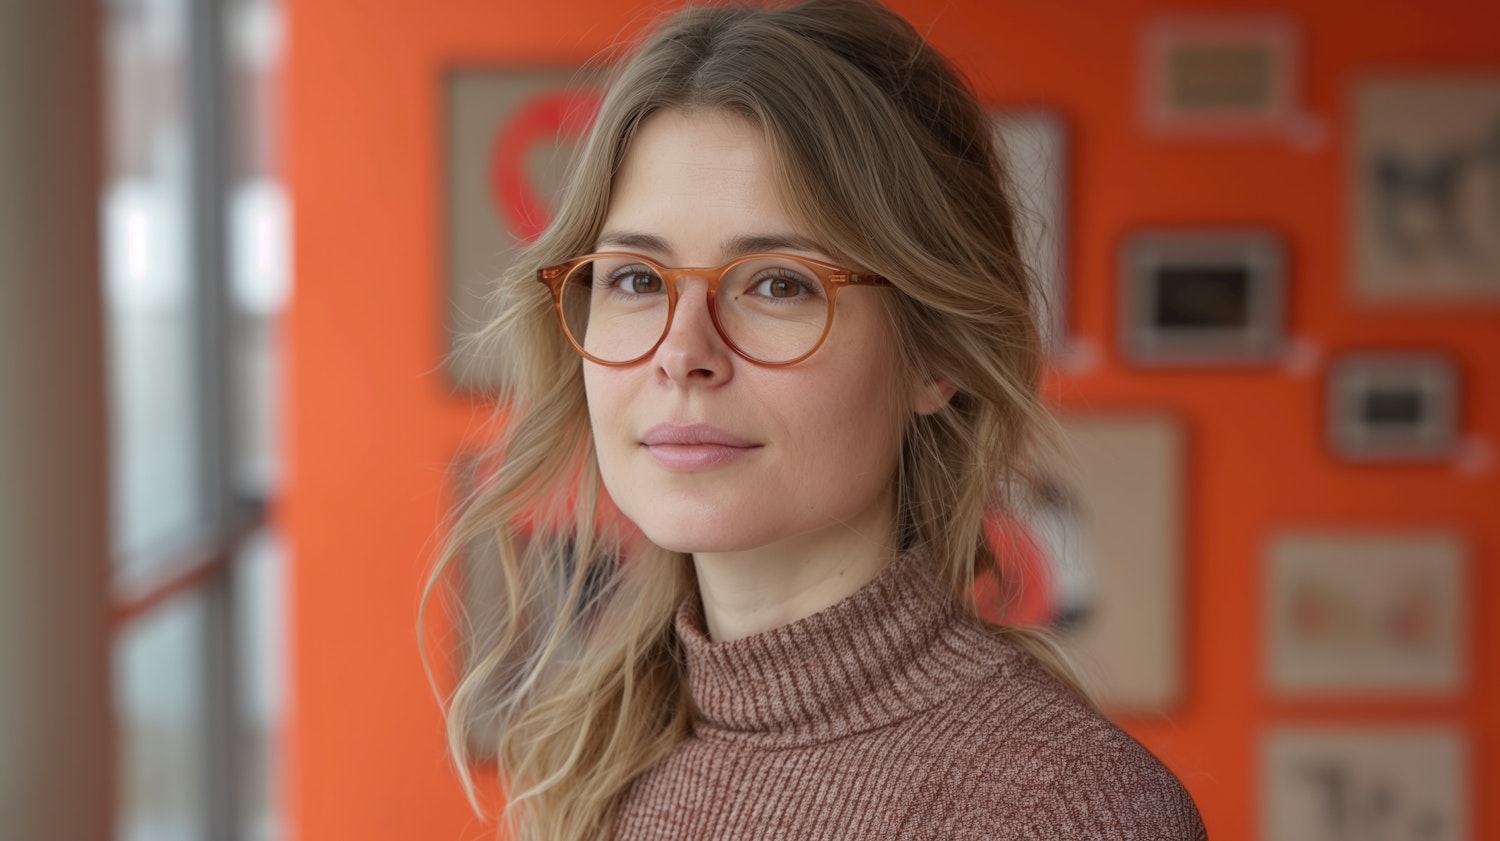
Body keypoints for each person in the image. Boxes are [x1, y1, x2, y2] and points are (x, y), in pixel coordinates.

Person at [429, 1, 1208, 839]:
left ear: (935, 355)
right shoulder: (606, 767)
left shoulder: (1062, 807)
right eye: (636, 279)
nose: (681, 351)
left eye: (777, 283)